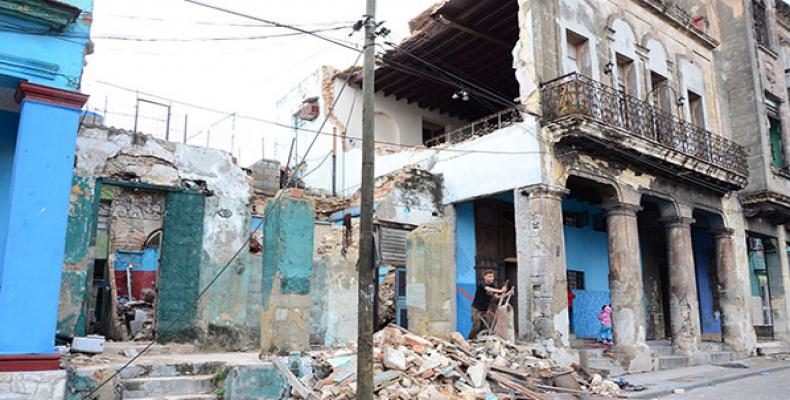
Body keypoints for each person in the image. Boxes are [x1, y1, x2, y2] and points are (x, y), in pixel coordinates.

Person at [468, 269, 509, 340]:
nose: (492, 278)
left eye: (492, 277)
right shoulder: (482, 284)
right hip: (476, 309)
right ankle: (469, 340)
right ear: (485, 277)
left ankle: (480, 340)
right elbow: (488, 289)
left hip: (485, 310)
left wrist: (506, 294)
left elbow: (496, 297)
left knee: (487, 326)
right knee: (476, 326)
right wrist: (500, 290)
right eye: (489, 276)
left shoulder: (493, 286)